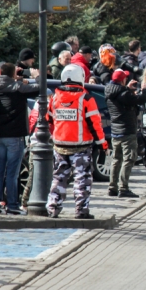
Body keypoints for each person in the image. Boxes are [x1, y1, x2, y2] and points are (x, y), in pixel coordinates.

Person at [46, 64, 107, 219]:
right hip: (81, 147)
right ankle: (81, 210)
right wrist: (102, 144)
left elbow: (49, 120)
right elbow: (95, 124)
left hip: (59, 145)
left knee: (59, 178)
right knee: (82, 179)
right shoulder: (86, 98)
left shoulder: (54, 98)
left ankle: (53, 208)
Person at [0, 62, 40, 214]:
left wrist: (14, 78)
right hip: (15, 134)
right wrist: (36, 76)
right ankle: (12, 205)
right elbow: (40, 88)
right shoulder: (17, 88)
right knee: (12, 171)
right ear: (12, 74)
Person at [105, 68, 146, 198]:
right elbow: (141, 99)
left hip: (115, 132)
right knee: (129, 159)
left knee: (116, 159)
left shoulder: (110, 91)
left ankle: (112, 187)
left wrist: (128, 89)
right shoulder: (124, 94)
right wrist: (145, 88)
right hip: (127, 131)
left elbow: (122, 97)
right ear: (122, 80)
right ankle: (123, 188)